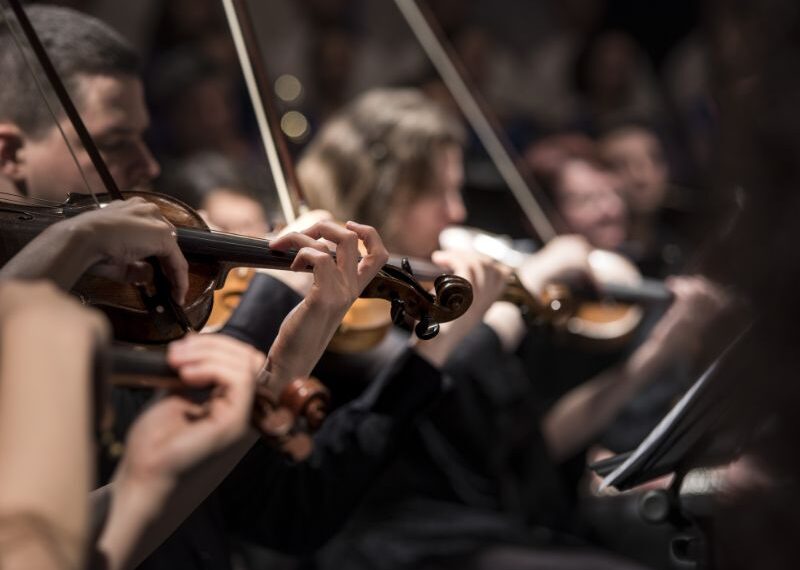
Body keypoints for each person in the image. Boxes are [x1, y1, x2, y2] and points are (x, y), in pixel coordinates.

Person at [297, 87, 729, 569]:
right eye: (438, 192)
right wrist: (527, 282)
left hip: (482, 525)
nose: (456, 212)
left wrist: (662, 346)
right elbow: (426, 384)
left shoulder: (418, 294)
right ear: (383, 190)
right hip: (393, 540)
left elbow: (527, 445)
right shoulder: (342, 308)